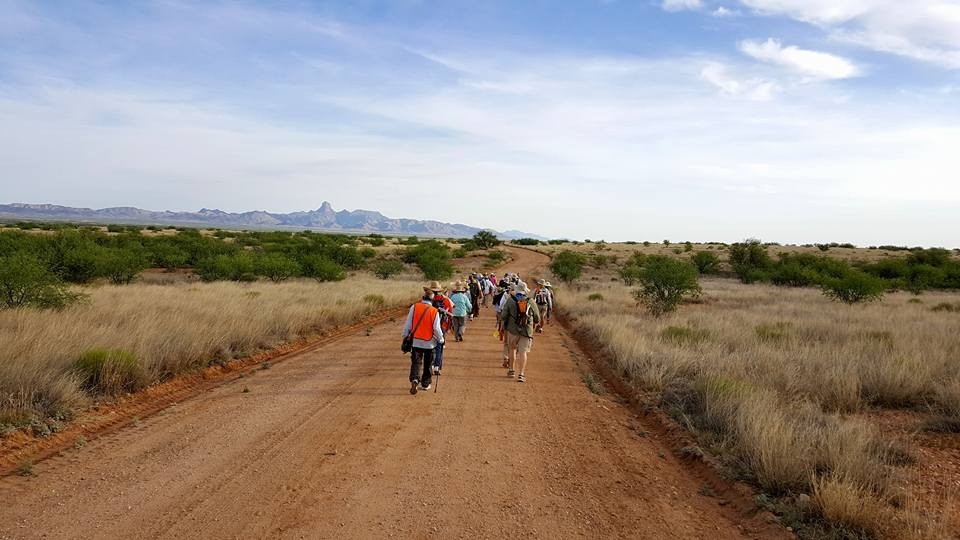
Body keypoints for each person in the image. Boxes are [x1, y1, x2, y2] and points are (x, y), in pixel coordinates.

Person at [402, 284, 445, 394]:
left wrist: (405, 335)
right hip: (429, 342)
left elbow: (408, 324)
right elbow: (436, 328)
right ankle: (426, 383)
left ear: (423, 298)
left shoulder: (414, 307)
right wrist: (441, 339)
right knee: (427, 363)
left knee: (416, 362)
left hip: (416, 341)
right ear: (432, 300)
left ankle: (415, 379)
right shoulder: (433, 311)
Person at [499, 284, 541, 383]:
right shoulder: (531, 301)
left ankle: (511, 371)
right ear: (525, 291)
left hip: (513, 330)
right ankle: (521, 374)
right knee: (523, 352)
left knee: (512, 349)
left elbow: (504, 315)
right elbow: (537, 318)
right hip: (526, 331)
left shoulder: (510, 300)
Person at [429, 281, 454, 375]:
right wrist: (448, 327)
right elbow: (451, 314)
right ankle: (437, 366)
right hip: (442, 325)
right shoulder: (446, 300)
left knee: (431, 347)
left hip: (430, 326)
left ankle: (430, 364)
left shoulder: (429, 300)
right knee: (440, 346)